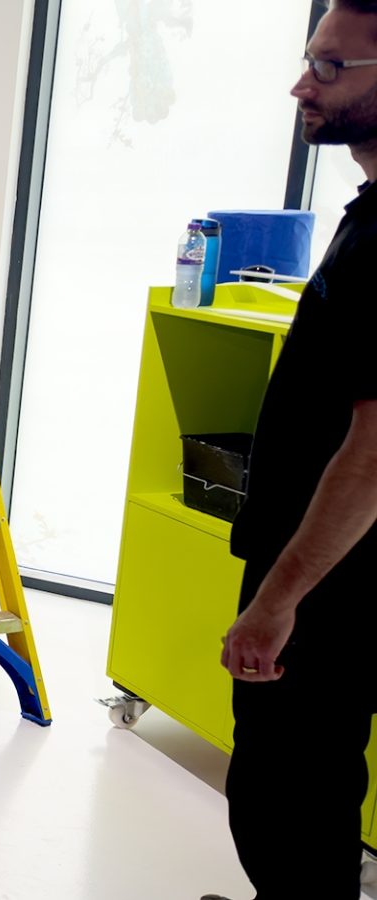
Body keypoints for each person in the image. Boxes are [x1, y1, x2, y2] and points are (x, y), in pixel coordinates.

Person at [206, 4, 377, 897]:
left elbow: (373, 452)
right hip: (343, 578)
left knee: (287, 801)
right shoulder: (369, 214)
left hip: (334, 591)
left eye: (332, 68)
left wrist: (276, 604)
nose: (302, 84)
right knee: (306, 796)